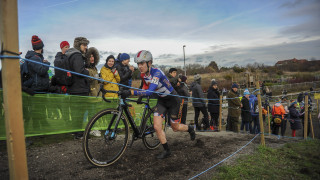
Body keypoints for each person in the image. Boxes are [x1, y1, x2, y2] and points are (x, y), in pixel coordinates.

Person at [120, 50, 196, 159]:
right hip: (162, 101)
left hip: (174, 100)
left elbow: (150, 92)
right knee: (156, 126)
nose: (140, 66)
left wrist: (131, 92)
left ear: (149, 63)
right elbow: (146, 86)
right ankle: (167, 150)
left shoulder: (157, 73)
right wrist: (141, 95)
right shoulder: (143, 74)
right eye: (138, 64)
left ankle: (190, 129)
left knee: (175, 127)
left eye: (142, 63)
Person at [65, 37, 90, 139]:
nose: (86, 47)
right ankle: (79, 134)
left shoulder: (70, 55)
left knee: (75, 111)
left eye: (86, 45)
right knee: (79, 112)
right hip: (79, 88)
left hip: (73, 87)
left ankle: (75, 131)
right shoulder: (77, 55)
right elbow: (79, 71)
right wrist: (87, 71)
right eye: (84, 45)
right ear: (79, 45)